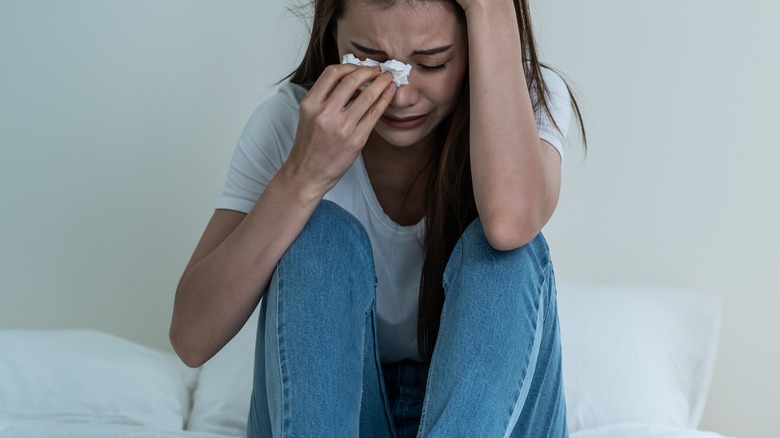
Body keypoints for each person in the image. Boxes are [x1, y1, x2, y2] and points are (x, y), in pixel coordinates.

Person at [170, 0, 585, 435]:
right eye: (368, 58)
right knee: (318, 235)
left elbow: (508, 225)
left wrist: (493, 7)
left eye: (433, 64)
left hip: (483, 417)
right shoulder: (291, 121)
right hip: (332, 410)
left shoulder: (528, 100)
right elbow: (191, 339)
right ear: (332, 36)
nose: (401, 95)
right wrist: (303, 176)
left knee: (505, 253)